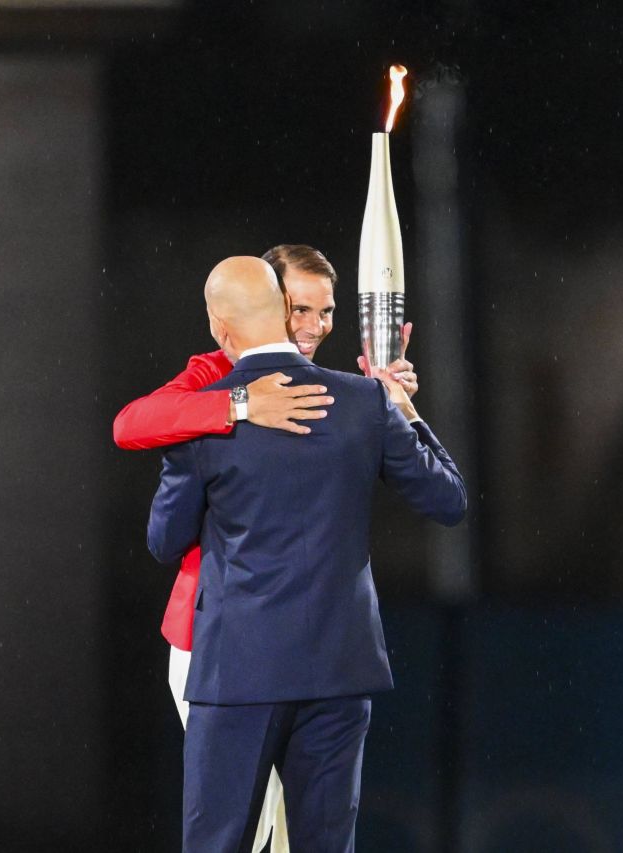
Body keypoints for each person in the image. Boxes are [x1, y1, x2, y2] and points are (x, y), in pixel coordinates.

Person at [147, 256, 465, 852]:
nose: (317, 324)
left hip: (237, 670)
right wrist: (402, 406)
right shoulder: (366, 404)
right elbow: (449, 500)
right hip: (337, 668)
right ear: (280, 311)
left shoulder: (204, 412)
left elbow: (165, 540)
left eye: (326, 312)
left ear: (221, 328)